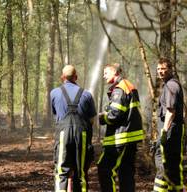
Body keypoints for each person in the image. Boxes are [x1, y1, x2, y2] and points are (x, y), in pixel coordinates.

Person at [97, 63, 144, 192]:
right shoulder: (128, 85)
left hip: (121, 138)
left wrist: (102, 117)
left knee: (104, 168)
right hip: (129, 138)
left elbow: (114, 115)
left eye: (106, 73)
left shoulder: (119, 88)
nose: (103, 76)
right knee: (126, 173)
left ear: (115, 72)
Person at [50, 65, 96, 192]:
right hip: (82, 136)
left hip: (62, 135)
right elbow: (92, 120)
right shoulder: (86, 94)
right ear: (76, 77)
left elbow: (56, 115)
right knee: (80, 172)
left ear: (62, 77)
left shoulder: (54, 93)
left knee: (61, 172)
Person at [153, 58, 184, 192]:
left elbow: (171, 111)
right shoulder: (171, 85)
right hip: (173, 132)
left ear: (171, 69)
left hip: (169, 133)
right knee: (173, 168)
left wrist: (164, 132)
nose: (160, 71)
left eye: (163, 69)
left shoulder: (171, 86)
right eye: (159, 69)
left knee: (163, 165)